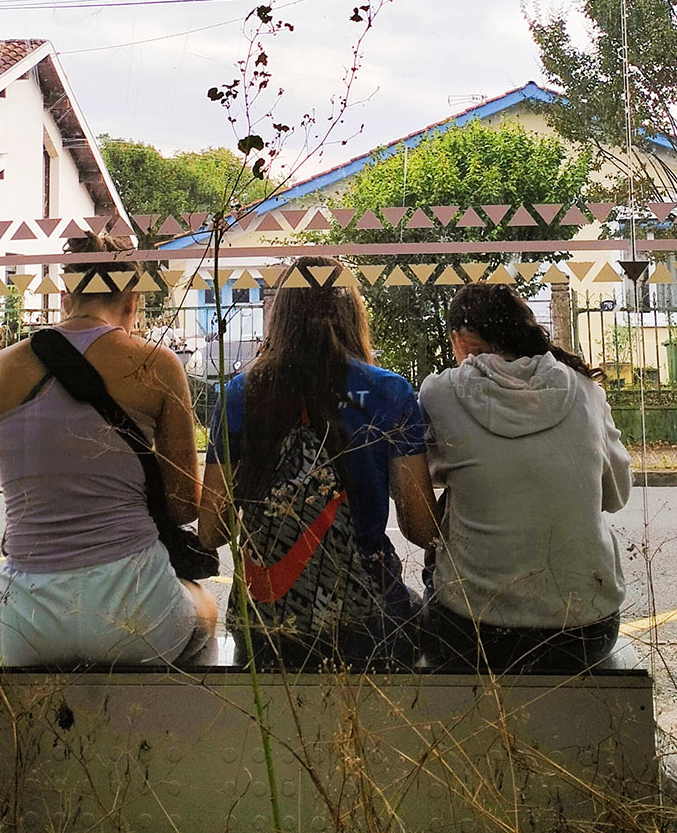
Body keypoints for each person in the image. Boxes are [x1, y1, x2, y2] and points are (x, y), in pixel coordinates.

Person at [0, 232, 217, 667]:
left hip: (24, 619)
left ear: (66, 297)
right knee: (205, 607)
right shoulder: (156, 363)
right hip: (135, 611)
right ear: (132, 302)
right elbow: (185, 505)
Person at [199, 256, 441, 668]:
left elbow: (210, 531)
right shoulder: (388, 392)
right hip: (368, 619)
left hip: (268, 624)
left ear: (281, 315)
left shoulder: (241, 393)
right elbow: (420, 529)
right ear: (352, 314)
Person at [418, 282, 632, 673]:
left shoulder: (440, 393)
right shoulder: (586, 390)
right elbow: (617, 496)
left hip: (473, 632)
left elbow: (425, 482)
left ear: (459, 339)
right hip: (587, 631)